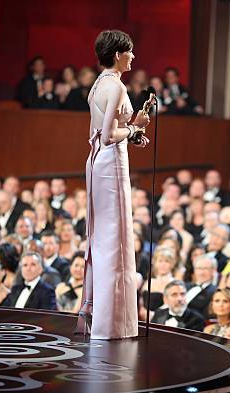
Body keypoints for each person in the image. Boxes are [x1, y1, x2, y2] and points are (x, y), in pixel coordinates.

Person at [75, 30, 150, 340]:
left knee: (103, 238)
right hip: (110, 166)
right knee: (114, 241)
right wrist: (135, 127)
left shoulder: (99, 84)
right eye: (129, 52)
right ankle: (111, 325)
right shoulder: (117, 87)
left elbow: (107, 130)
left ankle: (96, 315)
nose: (133, 57)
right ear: (118, 54)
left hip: (98, 163)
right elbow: (108, 136)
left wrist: (133, 131)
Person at [185, 254, 218, 318]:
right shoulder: (184, 287)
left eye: (206, 268)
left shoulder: (215, 292)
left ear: (213, 271)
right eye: (199, 268)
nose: (201, 273)